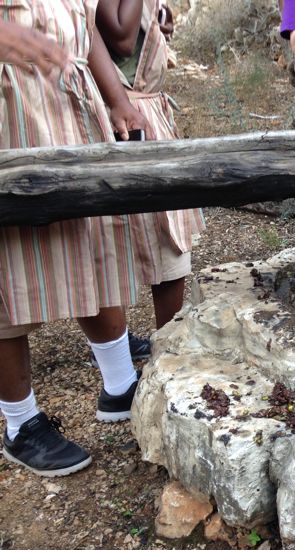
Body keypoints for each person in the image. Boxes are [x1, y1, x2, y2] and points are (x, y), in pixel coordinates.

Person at [1, 0, 152, 477]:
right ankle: (20, 424)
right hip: (10, 110)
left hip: (67, 107)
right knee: (8, 261)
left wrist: (118, 100)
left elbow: (87, 28)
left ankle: (120, 385)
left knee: (88, 244)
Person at [96, 0, 205, 331]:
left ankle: (164, 344)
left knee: (167, 237)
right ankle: (120, 355)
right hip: (122, 111)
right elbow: (121, 36)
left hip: (145, 106)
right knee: (108, 240)